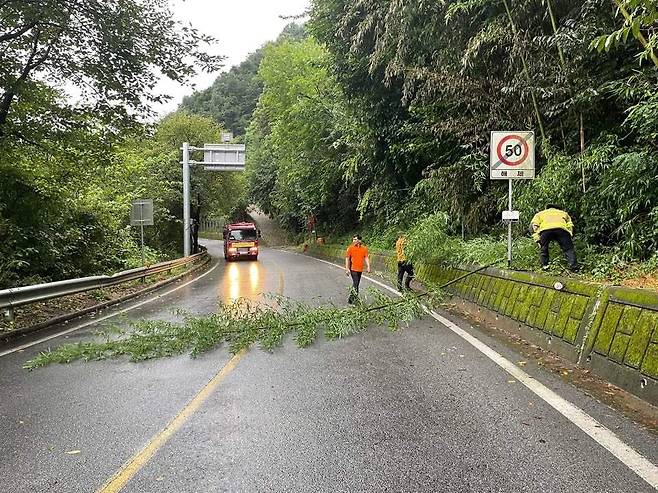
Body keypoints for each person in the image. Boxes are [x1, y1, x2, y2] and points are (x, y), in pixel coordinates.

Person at [530, 204, 577, 271]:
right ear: (558, 208)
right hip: (561, 229)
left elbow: (533, 226)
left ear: (546, 208)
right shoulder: (563, 213)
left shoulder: (540, 214)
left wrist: (537, 238)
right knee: (568, 249)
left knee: (544, 248)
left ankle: (545, 266)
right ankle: (573, 267)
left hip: (545, 231)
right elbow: (570, 225)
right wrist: (570, 235)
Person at [345, 235, 371, 304]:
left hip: (360, 269)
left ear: (359, 240)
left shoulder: (364, 249)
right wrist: (347, 269)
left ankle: (353, 298)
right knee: (356, 283)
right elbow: (347, 259)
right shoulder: (350, 248)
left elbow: (366, 257)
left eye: (355, 239)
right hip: (353, 268)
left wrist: (368, 266)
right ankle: (352, 299)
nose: (354, 241)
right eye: (353, 239)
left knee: (357, 284)